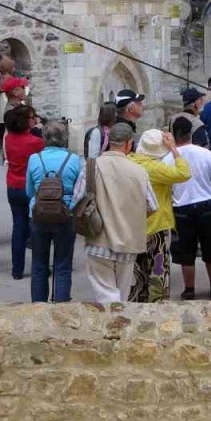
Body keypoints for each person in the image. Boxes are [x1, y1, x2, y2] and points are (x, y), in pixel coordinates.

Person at [85, 123, 160, 303]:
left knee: (105, 292)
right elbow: (153, 205)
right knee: (122, 293)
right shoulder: (139, 171)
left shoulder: (92, 166)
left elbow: (79, 199)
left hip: (98, 240)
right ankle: (118, 324)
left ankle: (112, 325)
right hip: (128, 241)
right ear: (128, 144)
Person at [126, 128, 192, 302]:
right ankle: (156, 309)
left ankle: (135, 306)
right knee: (158, 272)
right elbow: (184, 173)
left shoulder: (130, 162)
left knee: (136, 274)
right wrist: (174, 149)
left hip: (133, 226)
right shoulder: (155, 168)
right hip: (156, 225)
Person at [167, 117, 211, 300]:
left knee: (186, 252)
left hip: (182, 207)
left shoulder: (168, 158)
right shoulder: (205, 153)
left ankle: (190, 289)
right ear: (190, 133)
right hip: (206, 204)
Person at [25, 122, 83, 302]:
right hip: (65, 214)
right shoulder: (74, 160)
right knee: (63, 264)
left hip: (38, 214)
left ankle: (38, 305)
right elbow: (79, 190)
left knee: (39, 264)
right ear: (65, 138)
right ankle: (61, 304)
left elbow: (28, 191)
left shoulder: (35, 159)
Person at [3, 104, 45, 279]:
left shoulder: (9, 139)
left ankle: (17, 269)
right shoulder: (35, 142)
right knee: (37, 229)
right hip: (30, 187)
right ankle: (39, 266)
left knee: (18, 227)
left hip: (13, 185)